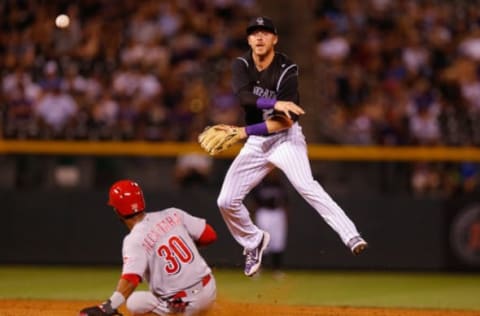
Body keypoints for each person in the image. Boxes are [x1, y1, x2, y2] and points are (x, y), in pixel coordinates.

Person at [216, 16, 368, 277]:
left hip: (285, 139)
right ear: (249, 39)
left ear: (274, 39)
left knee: (306, 186)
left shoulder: (287, 69)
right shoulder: (241, 64)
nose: (260, 37)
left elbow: (285, 122)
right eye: (254, 33)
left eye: (265, 33)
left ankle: (350, 234)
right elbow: (243, 96)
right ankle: (253, 241)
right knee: (226, 201)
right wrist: (274, 104)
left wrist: (244, 130)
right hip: (256, 142)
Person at [79, 179, 217, 316]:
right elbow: (209, 235)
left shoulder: (134, 239)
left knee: (135, 303)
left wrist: (108, 306)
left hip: (183, 305)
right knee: (140, 302)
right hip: (209, 290)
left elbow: (131, 279)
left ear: (117, 211)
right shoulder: (173, 213)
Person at [252, 170, 289, 277]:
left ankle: (277, 269)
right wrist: (254, 217)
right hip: (263, 213)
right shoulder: (260, 184)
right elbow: (254, 202)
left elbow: (286, 202)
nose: (272, 173)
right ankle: (258, 268)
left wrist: (286, 217)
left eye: (274, 171)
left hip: (277, 213)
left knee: (278, 242)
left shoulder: (280, 184)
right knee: (262, 241)